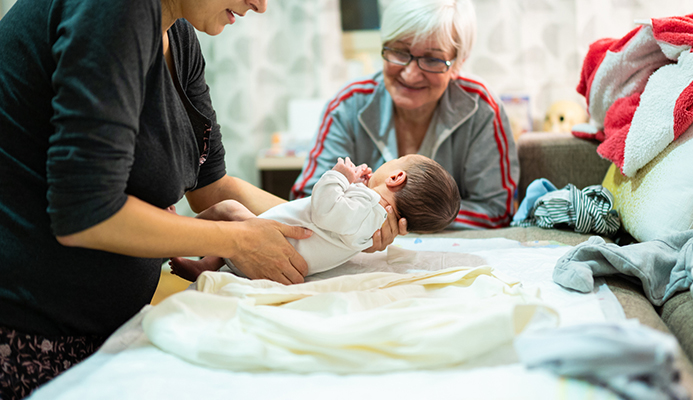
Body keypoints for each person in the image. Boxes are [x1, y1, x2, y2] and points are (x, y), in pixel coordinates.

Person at [0, 0, 402, 397]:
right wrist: (237, 240)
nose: (260, 6)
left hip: (107, 325)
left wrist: (333, 229)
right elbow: (87, 213)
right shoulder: (114, 11)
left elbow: (212, 187)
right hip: (31, 334)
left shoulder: (177, 34)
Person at [291, 0, 520, 230]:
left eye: (432, 59)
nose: (410, 74)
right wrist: (370, 219)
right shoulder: (348, 105)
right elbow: (305, 200)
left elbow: (497, 212)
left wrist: (403, 218)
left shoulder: (482, 107)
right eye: (399, 52)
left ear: (458, 64)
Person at [170, 154, 461, 281]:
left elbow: (324, 208)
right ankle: (207, 265)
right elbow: (340, 224)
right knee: (232, 215)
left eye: (394, 161)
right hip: (275, 259)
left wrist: (340, 176)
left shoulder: (368, 207)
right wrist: (358, 186)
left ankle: (176, 232)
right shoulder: (371, 223)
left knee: (229, 210)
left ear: (396, 176)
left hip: (265, 249)